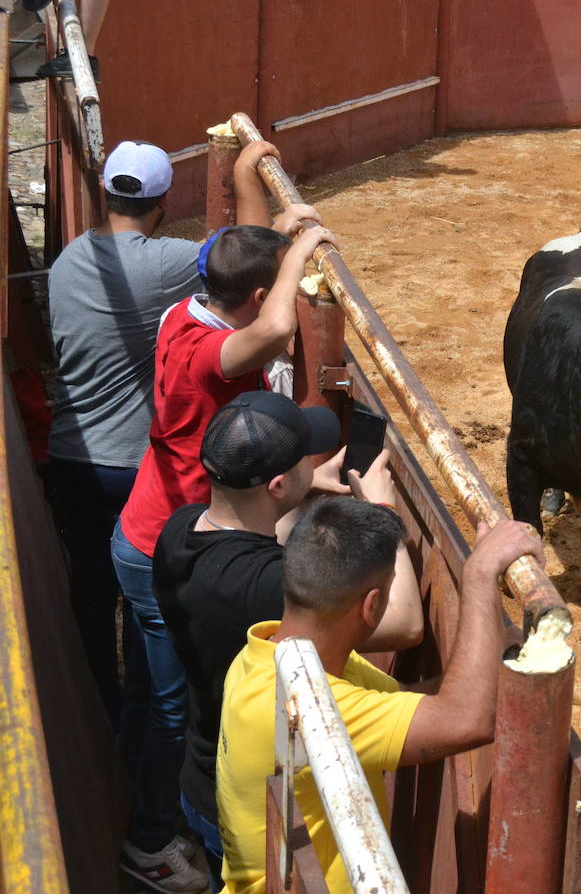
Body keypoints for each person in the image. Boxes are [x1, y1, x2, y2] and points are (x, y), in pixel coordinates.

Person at [112, 175, 330, 890]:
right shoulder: (219, 353)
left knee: (151, 691)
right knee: (176, 709)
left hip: (142, 526)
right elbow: (271, 330)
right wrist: (301, 248)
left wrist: (271, 224)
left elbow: (237, 268)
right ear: (258, 298)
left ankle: (141, 794)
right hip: (157, 544)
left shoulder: (189, 312)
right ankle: (149, 841)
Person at [44, 138, 304, 727]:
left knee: (91, 591)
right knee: (152, 614)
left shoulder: (65, 261)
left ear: (104, 191)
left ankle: (104, 715)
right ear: (162, 202)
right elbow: (241, 267)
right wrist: (254, 190)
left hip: (71, 453)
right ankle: (147, 738)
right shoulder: (164, 266)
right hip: (137, 466)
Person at [153, 392, 423, 886]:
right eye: (306, 459)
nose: (315, 461)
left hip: (203, 770)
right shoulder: (259, 586)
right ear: (275, 485)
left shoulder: (178, 531)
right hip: (244, 806)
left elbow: (249, 540)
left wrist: (302, 488)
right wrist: (382, 514)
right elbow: (404, 623)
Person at [217, 500, 544, 892]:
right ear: (371, 606)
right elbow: (467, 719)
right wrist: (478, 576)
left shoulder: (266, 655)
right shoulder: (312, 706)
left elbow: (410, 699)